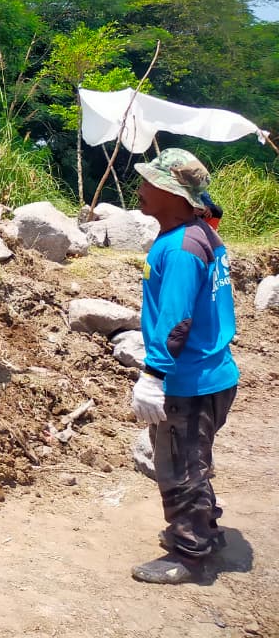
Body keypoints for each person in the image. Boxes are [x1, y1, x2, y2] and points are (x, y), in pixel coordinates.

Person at [130, 147, 238, 584]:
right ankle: (204, 529)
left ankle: (189, 556)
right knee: (193, 460)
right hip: (213, 373)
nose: (140, 189)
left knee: (180, 467)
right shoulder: (200, 234)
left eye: (149, 183)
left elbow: (177, 322)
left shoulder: (179, 249)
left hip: (188, 380)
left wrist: (154, 376)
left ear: (175, 195)